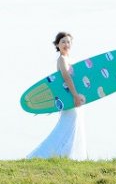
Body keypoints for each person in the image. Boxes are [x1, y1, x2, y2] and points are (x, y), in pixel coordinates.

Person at [27, 32, 88, 160]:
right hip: (70, 97)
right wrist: (75, 96)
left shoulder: (71, 59)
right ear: (57, 45)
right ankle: (52, 155)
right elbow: (66, 77)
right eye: (63, 42)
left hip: (75, 97)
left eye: (68, 42)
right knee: (66, 127)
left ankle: (68, 156)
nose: (66, 44)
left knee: (73, 126)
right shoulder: (62, 59)